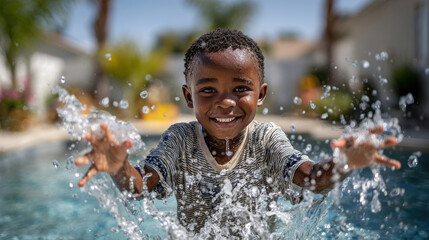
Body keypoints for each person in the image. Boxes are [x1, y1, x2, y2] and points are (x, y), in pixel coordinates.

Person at [75, 29, 401, 233]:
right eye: (207, 90)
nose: (226, 102)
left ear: (261, 94)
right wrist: (120, 167)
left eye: (241, 89)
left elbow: (312, 179)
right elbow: (141, 187)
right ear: (188, 96)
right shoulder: (179, 140)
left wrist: (344, 163)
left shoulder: (267, 139)